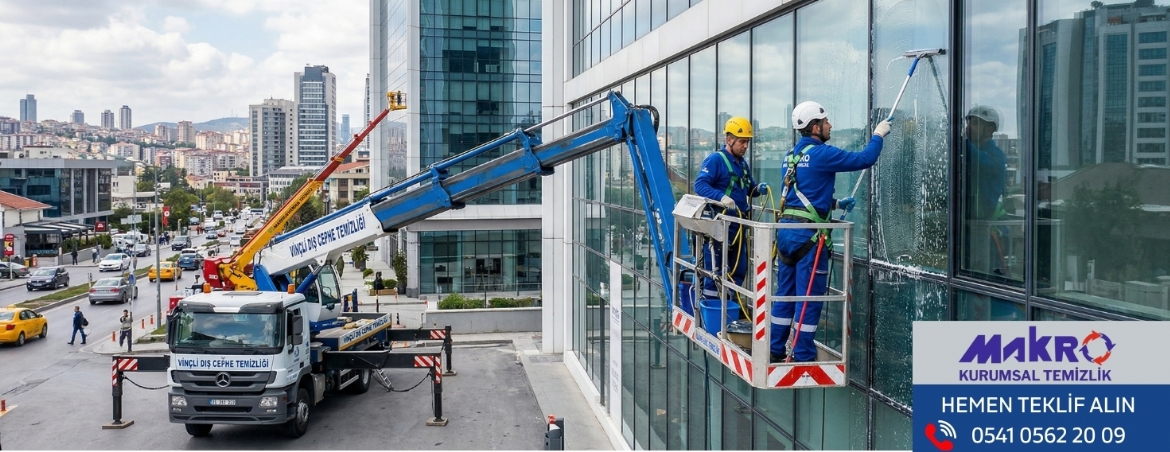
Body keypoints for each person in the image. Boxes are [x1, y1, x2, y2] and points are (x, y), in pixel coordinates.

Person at [770, 102, 890, 362]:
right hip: (808, 236)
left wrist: (835, 203)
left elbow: (800, 195)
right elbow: (864, 159)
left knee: (785, 294)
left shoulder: (790, 156)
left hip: (788, 233)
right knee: (809, 297)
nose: (830, 125)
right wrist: (878, 136)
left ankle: (775, 348)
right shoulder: (822, 153)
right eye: (826, 122)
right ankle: (802, 354)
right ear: (815, 127)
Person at [693, 116, 769, 302]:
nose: (745, 146)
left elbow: (749, 188)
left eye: (747, 142)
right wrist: (721, 197)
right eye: (742, 142)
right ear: (729, 140)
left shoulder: (742, 164)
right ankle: (713, 313)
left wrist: (758, 189)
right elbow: (700, 185)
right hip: (720, 226)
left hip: (738, 227)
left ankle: (731, 309)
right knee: (716, 272)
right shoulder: (715, 160)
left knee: (738, 270)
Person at [961, 105, 1009, 277]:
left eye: (974, 123)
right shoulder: (967, 153)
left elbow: (979, 161)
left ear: (990, 129)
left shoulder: (996, 155)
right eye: (968, 123)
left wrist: (961, 141)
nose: (968, 127)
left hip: (991, 231)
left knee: (989, 279)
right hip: (974, 229)